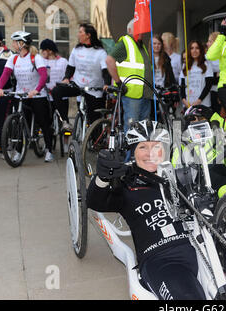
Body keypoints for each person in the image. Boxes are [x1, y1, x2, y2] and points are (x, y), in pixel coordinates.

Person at [87, 120, 206, 300]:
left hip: (205, 244)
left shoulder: (181, 175)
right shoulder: (126, 184)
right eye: (143, 147)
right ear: (133, 152)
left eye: (156, 146)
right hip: (164, 257)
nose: (151, 153)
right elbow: (95, 202)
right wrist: (103, 177)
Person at [0, 31, 54, 162]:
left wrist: (36, 90)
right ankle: (18, 151)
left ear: (21, 44)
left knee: (43, 123)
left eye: (15, 42)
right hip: (20, 95)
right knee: (19, 123)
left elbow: (43, 76)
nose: (13, 44)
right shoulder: (14, 58)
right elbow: (5, 74)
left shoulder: (35, 58)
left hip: (37, 96)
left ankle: (49, 150)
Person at [52, 23, 110, 129]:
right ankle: (65, 121)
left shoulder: (100, 52)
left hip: (94, 89)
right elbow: (71, 67)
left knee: (94, 122)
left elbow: (106, 71)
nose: (78, 35)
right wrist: (66, 78)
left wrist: (106, 83)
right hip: (78, 85)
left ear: (88, 35)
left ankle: (94, 142)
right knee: (56, 91)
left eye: (80, 32)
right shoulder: (77, 49)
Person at [106, 19, 152, 131]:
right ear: (130, 30)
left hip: (145, 94)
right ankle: (130, 149)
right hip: (132, 95)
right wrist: (119, 83)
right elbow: (109, 60)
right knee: (133, 129)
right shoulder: (126, 42)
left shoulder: (141, 45)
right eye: (138, 29)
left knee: (143, 129)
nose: (141, 32)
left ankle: (138, 149)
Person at [39, 39, 69, 128]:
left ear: (50, 51)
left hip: (61, 95)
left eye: (43, 50)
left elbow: (69, 76)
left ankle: (65, 140)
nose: (42, 52)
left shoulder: (63, 62)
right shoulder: (41, 61)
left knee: (64, 120)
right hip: (46, 96)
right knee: (47, 121)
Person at [180, 41, 213, 111]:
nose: (194, 50)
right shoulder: (185, 65)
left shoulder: (207, 64)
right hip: (188, 105)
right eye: (192, 48)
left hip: (203, 104)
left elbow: (208, 85)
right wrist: (184, 101)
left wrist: (198, 101)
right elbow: (182, 85)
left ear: (200, 50)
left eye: (197, 48)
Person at [206, 32, 221, 114]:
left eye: (210, 41)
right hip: (211, 92)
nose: (207, 43)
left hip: (222, 91)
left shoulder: (223, 56)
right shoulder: (206, 57)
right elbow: (210, 79)